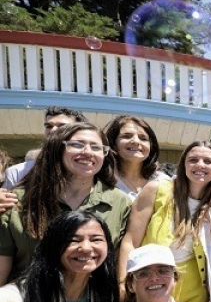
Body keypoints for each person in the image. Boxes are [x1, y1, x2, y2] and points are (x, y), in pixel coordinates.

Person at [0, 122, 131, 286]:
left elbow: (118, 264)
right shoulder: (18, 200)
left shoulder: (120, 202)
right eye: (77, 144)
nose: (87, 152)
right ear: (57, 149)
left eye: (96, 147)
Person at [118, 141, 211, 302]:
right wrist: (123, 285)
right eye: (193, 159)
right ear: (183, 164)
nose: (200, 165)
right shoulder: (157, 189)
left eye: (208, 161)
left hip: (195, 293)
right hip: (151, 283)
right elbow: (130, 241)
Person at [2, 106, 87, 189]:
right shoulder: (17, 173)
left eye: (62, 126)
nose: (53, 130)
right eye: (49, 126)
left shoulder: (91, 169)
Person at [104, 115, 169, 201]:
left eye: (143, 138)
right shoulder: (102, 180)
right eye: (127, 136)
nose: (136, 141)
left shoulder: (163, 182)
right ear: (113, 143)